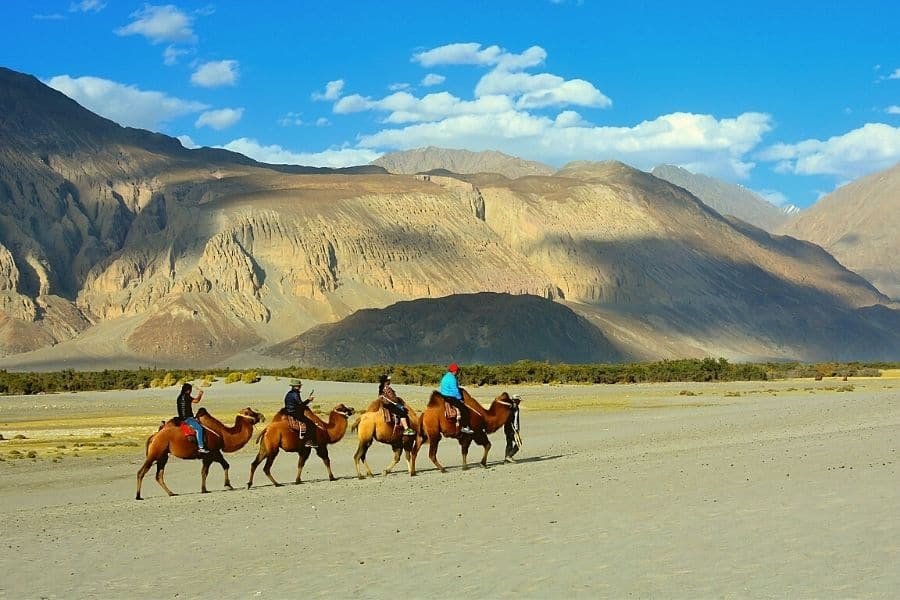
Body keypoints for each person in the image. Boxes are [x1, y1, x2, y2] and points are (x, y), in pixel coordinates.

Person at [284, 379, 323, 446]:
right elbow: (301, 405)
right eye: (298, 386)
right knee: (310, 424)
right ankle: (309, 441)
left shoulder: (289, 393)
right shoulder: (295, 394)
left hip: (288, 411)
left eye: (299, 386)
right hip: (294, 412)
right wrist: (309, 400)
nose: (299, 387)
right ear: (294, 386)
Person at [439, 363, 474, 434]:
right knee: (464, 410)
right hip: (450, 397)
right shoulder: (452, 378)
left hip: (443, 396)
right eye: (457, 371)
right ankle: (465, 427)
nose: (457, 372)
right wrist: (460, 398)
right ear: (455, 371)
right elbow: (455, 391)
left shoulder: (445, 376)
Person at [176, 382, 208, 454]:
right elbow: (196, 401)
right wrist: (200, 394)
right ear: (188, 390)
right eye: (190, 390)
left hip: (181, 417)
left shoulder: (179, 397)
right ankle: (201, 447)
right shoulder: (186, 396)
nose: (190, 391)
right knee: (199, 429)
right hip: (187, 418)